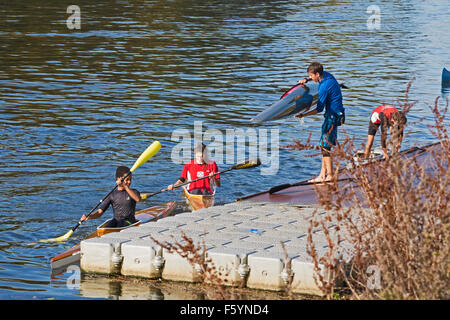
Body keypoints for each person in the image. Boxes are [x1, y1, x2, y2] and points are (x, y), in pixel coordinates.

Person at [295, 62, 345, 183]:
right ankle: (322, 175)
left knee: (325, 146)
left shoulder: (324, 87)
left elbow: (319, 109)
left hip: (332, 117)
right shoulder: (328, 76)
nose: (311, 78)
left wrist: (303, 115)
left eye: (311, 76)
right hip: (339, 114)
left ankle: (330, 176)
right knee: (324, 145)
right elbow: (315, 76)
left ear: (317, 74)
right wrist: (306, 79)